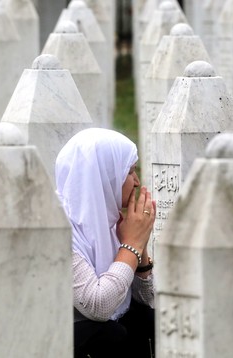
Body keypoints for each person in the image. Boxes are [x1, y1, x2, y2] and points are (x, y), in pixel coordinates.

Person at [55, 128, 156, 358]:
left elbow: (148, 301)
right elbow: (97, 306)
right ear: (105, 176)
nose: (138, 181)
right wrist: (130, 245)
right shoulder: (57, 229)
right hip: (60, 339)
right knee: (111, 333)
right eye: (130, 172)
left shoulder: (110, 220)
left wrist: (140, 247)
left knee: (151, 320)